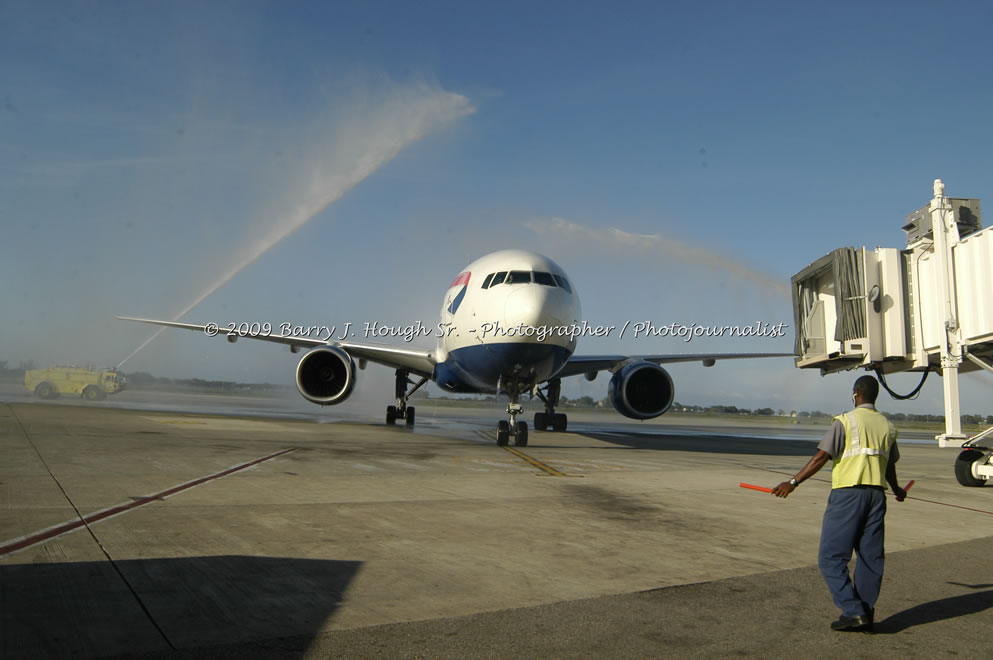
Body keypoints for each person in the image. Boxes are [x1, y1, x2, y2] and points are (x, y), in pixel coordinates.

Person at [772, 375, 907, 633]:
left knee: (830, 558)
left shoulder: (845, 421)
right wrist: (897, 488)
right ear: (874, 395)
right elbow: (889, 463)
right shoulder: (888, 426)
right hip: (876, 497)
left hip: (848, 495)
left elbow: (822, 456)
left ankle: (854, 611)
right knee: (870, 558)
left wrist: (793, 481)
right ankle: (866, 614)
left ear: (856, 393)